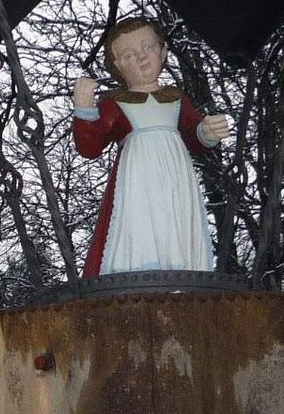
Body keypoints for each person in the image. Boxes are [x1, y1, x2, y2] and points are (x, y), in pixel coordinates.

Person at [70, 15, 232, 278]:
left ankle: (180, 272)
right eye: (129, 56)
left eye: (148, 47)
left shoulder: (175, 98)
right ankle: (135, 274)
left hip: (175, 178)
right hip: (137, 180)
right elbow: (91, 146)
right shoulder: (115, 103)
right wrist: (85, 108)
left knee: (175, 219)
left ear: (163, 50)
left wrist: (207, 131)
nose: (142, 58)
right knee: (140, 221)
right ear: (118, 67)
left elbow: (194, 135)